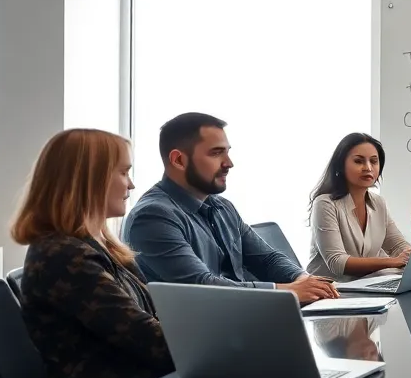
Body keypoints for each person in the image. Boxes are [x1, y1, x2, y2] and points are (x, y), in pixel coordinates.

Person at [13, 129, 174, 378]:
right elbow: (150, 341)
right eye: (123, 172)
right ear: (89, 179)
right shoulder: (64, 255)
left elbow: (155, 314)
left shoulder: (106, 246)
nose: (131, 185)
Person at [122, 113, 336, 304]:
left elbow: (267, 259)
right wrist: (288, 291)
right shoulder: (153, 217)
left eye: (227, 152)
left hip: (236, 324)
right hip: (196, 337)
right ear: (179, 160)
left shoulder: (222, 206)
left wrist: (304, 280)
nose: (229, 163)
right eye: (216, 153)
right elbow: (201, 286)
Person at [306, 133, 411, 282]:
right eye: (358, 161)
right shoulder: (325, 204)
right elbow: (338, 262)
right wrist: (392, 261)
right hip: (330, 292)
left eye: (374, 161)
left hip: (367, 286)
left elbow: (397, 244)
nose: (368, 168)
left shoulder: (378, 203)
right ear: (341, 165)